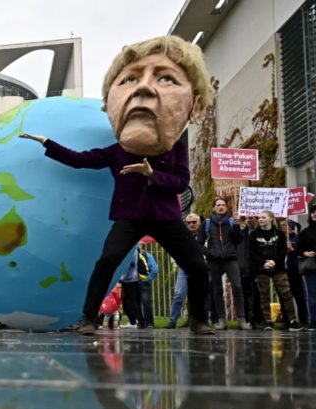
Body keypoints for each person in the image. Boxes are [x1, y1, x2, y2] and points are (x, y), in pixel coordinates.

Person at [21, 35, 215, 335]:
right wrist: (49, 143)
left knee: (197, 266)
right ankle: (89, 318)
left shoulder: (173, 146)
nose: (144, 89)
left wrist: (153, 174)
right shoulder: (118, 150)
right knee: (107, 261)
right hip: (131, 216)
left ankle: (200, 319)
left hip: (164, 216)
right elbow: (80, 159)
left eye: (165, 78)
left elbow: (181, 181)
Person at [249, 210, 302, 331]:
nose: (260, 219)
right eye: (259, 217)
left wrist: (274, 261)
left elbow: (283, 250)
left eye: (263, 217)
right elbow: (252, 253)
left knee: (286, 293)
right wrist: (264, 262)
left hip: (278, 268)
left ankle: (293, 321)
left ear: (271, 219)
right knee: (264, 296)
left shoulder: (279, 233)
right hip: (262, 269)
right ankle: (268, 322)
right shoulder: (253, 235)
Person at [204, 198, 245, 330]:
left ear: (226, 208)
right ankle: (222, 320)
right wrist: (209, 253)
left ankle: (241, 320)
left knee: (237, 287)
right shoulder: (207, 223)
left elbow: (238, 240)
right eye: (218, 205)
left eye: (223, 205)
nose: (221, 207)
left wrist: (238, 225)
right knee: (217, 290)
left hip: (230, 258)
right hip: (214, 260)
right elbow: (199, 243)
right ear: (213, 208)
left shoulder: (232, 222)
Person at [166, 213, 206, 328]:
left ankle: (195, 320)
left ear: (199, 223)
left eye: (194, 222)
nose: (191, 224)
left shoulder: (205, 235)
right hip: (185, 268)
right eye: (189, 223)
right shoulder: (182, 235)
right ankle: (172, 321)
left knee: (199, 296)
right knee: (178, 294)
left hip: (200, 268)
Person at [299, 206, 316, 329]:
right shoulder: (305, 232)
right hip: (311, 267)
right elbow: (299, 249)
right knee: (312, 294)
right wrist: (305, 253)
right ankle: (313, 321)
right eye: (313, 212)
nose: (315, 214)